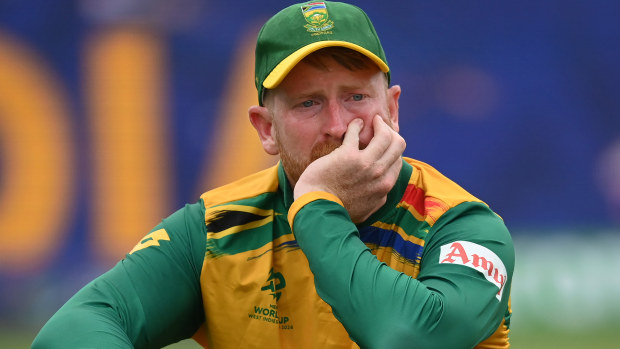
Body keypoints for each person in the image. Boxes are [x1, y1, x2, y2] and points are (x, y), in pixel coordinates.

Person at [33, 1, 514, 348]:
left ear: (392, 109)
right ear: (266, 130)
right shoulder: (215, 231)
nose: (337, 125)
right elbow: (71, 330)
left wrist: (318, 205)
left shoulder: (462, 226)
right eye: (308, 102)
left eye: (356, 97)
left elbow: (411, 337)